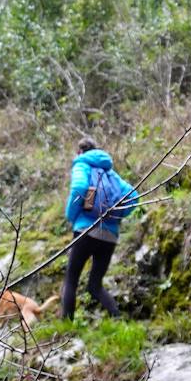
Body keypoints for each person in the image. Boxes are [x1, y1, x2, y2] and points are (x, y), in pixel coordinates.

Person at [62, 136, 137, 320]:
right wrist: (116, 216)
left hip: (86, 231)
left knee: (71, 279)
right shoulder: (110, 172)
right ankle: (117, 318)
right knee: (95, 285)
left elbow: (79, 187)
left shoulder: (82, 165)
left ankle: (66, 327)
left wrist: (72, 216)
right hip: (110, 236)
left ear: (79, 152)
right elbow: (134, 196)